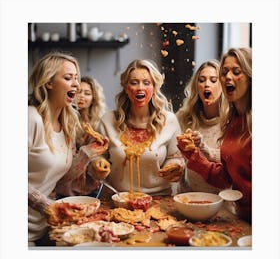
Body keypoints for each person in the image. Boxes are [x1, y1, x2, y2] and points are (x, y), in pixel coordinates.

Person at [28, 52, 108, 246]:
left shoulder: (68, 123)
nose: (76, 85)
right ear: (48, 82)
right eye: (68, 78)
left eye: (77, 78)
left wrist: (87, 155)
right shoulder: (30, 118)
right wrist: (44, 204)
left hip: (46, 227)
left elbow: (62, 181)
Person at [177, 48, 252, 223]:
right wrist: (194, 156)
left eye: (236, 72)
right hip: (240, 217)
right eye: (224, 72)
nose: (227, 77)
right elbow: (225, 178)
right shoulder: (233, 122)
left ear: (250, 76)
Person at [98, 59, 185, 196]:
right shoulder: (108, 120)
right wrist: (98, 163)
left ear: (154, 87)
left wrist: (173, 167)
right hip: (117, 198)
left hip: (159, 198)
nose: (140, 88)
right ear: (126, 88)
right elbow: (98, 156)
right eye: (134, 82)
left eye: (146, 83)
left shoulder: (169, 121)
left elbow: (175, 157)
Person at [55, 76, 110, 198]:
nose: (82, 96)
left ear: (94, 98)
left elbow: (101, 156)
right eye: (79, 91)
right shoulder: (62, 121)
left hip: (91, 187)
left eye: (87, 93)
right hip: (65, 187)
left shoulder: (99, 124)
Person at [176, 59, 226, 193]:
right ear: (196, 86)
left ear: (223, 85)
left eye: (213, 80)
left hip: (221, 203)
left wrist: (202, 146)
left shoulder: (231, 121)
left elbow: (229, 160)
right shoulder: (183, 118)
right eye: (201, 80)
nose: (206, 85)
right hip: (187, 197)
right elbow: (176, 157)